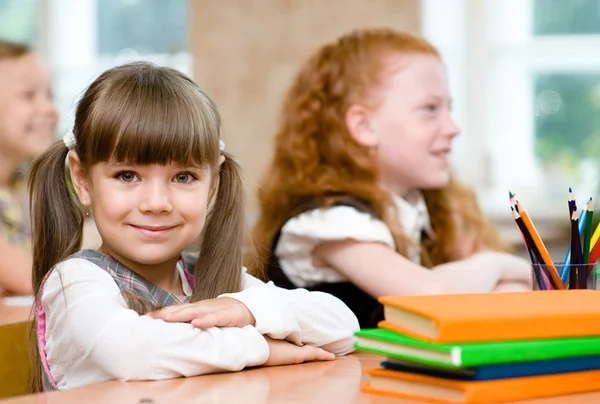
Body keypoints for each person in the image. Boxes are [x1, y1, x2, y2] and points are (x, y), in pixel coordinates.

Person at [28, 62, 358, 392]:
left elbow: (343, 327)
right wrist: (263, 348)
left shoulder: (210, 283)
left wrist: (247, 309)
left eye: (183, 177)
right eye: (127, 176)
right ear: (82, 179)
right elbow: (130, 352)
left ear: (212, 183)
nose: (156, 203)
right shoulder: (74, 283)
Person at [248, 28, 532, 329]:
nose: (452, 128)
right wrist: (500, 265)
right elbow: (430, 294)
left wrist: (502, 283)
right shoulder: (327, 224)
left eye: (449, 108)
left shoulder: (429, 211)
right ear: (364, 126)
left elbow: (506, 297)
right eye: (430, 109)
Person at [0, 40, 58, 295]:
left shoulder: (26, 190)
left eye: (49, 94)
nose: (48, 108)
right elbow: (33, 278)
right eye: (28, 95)